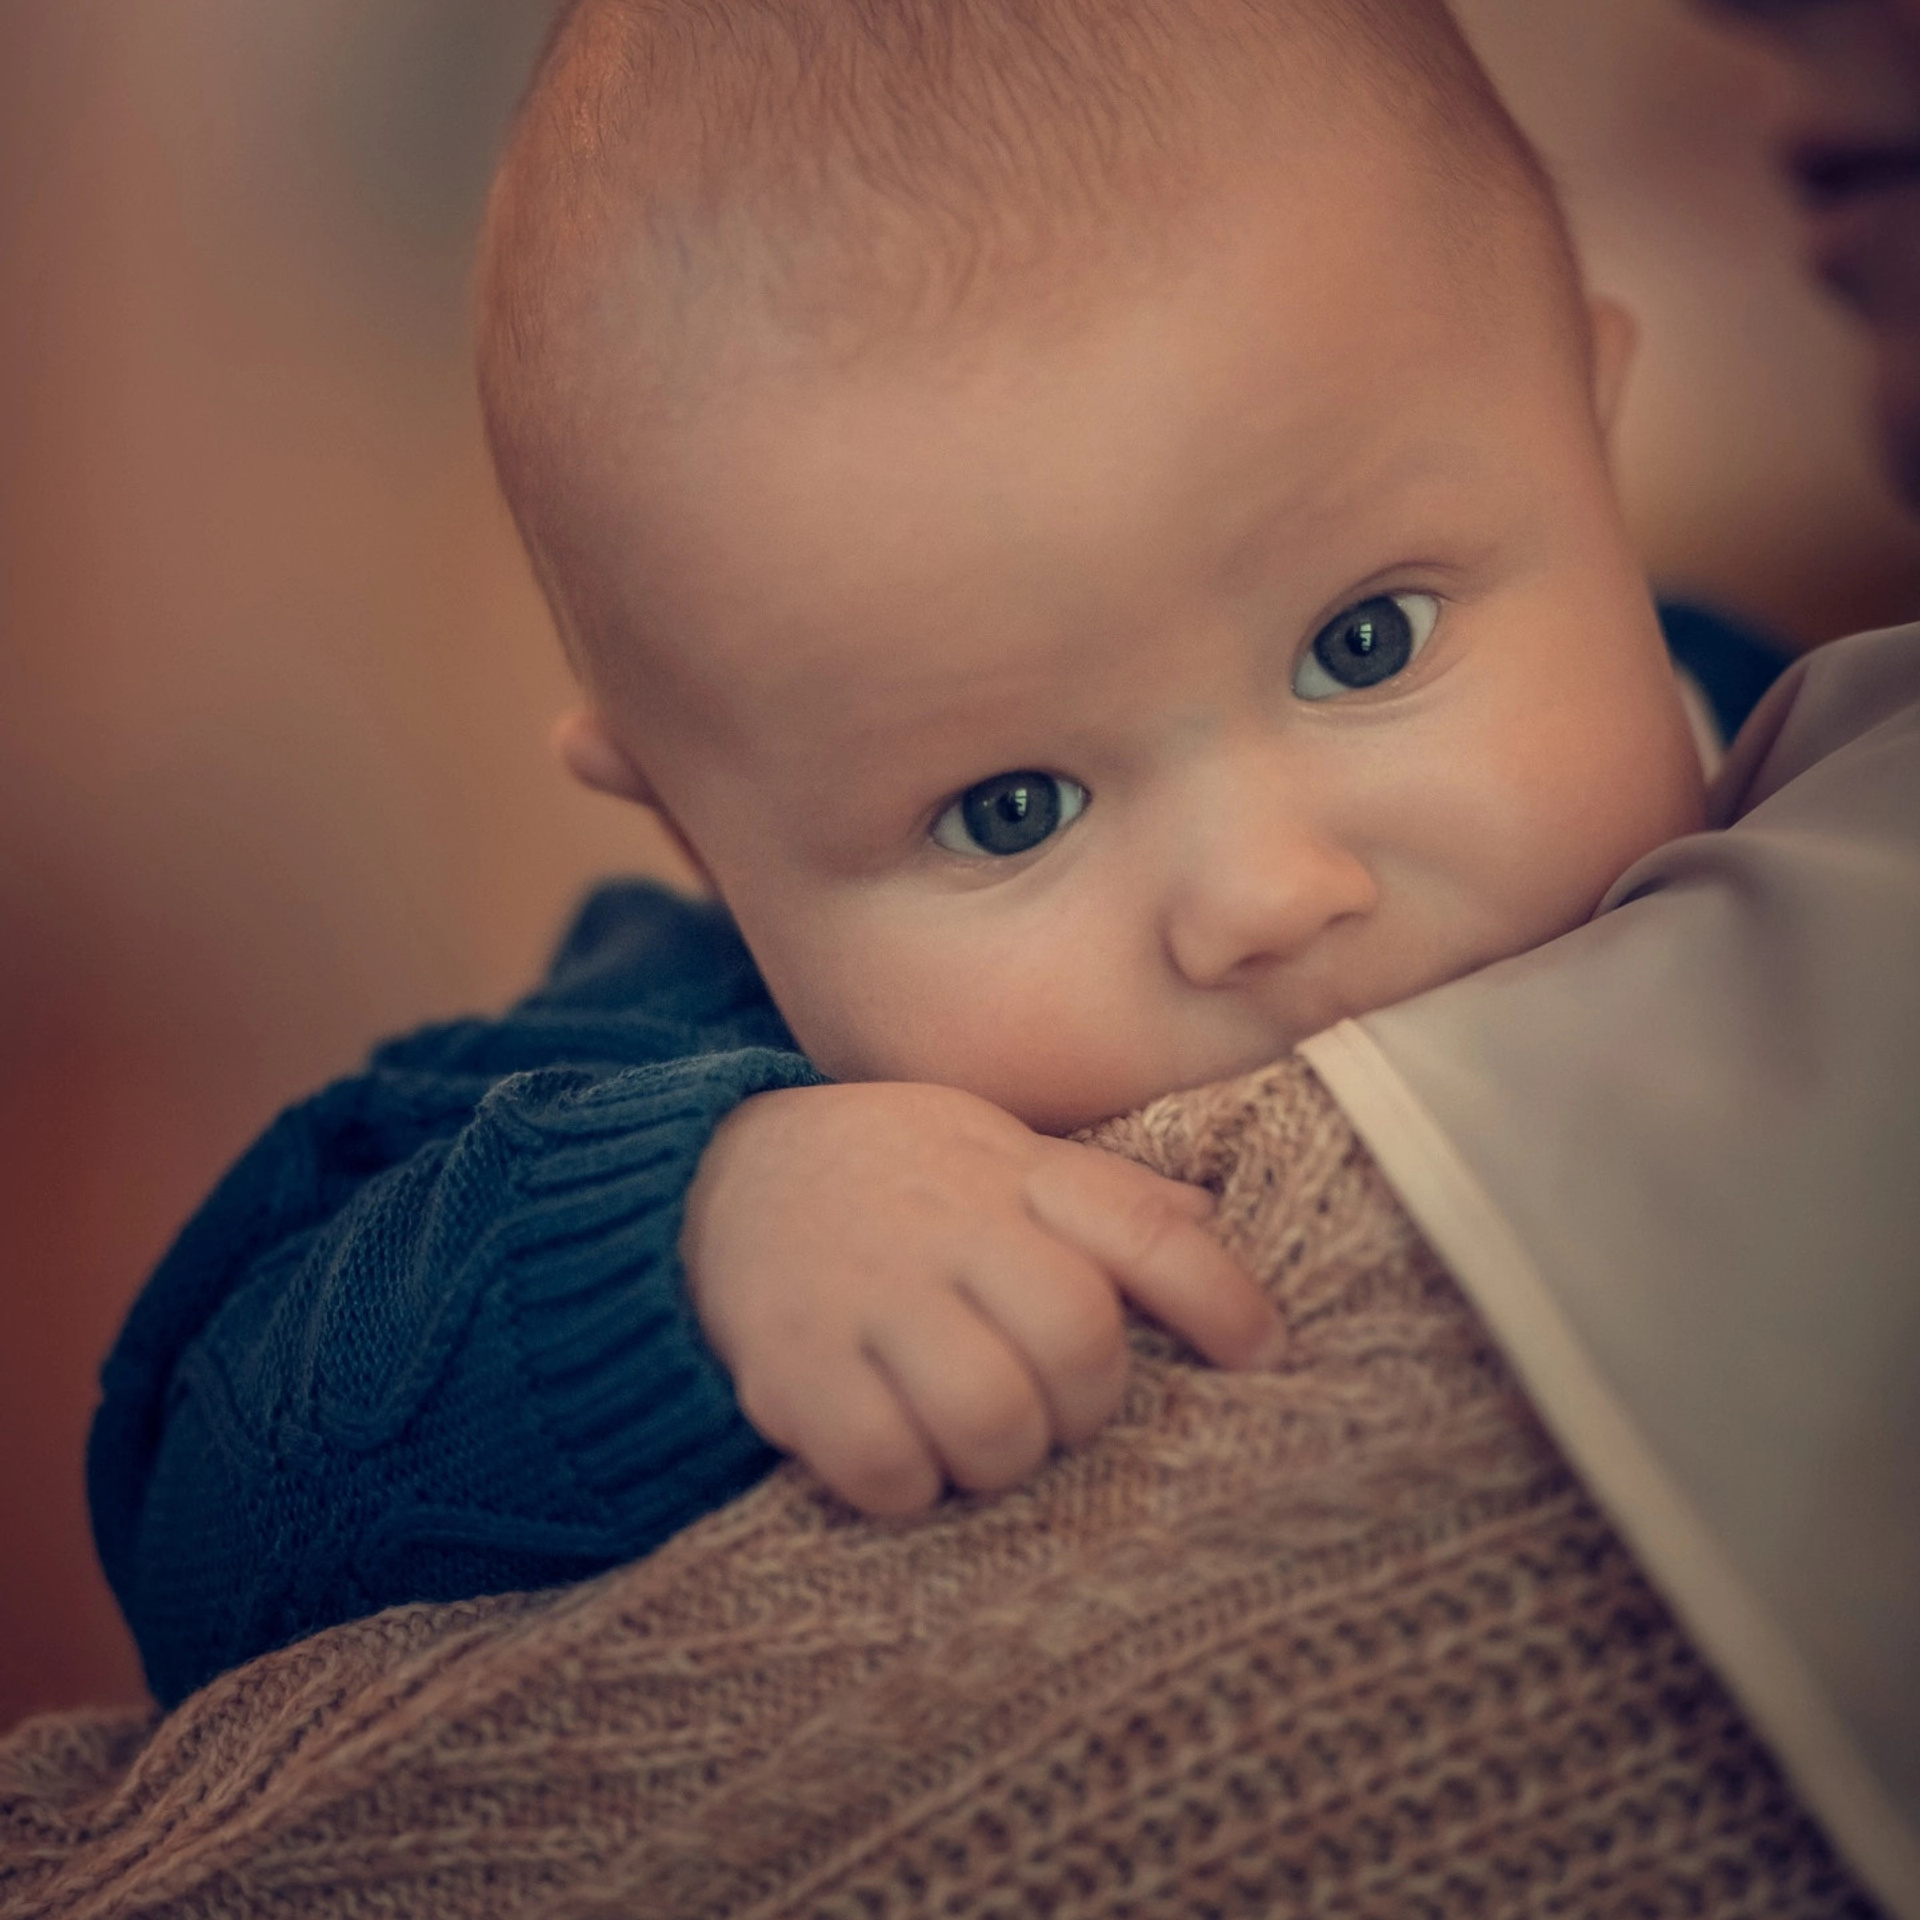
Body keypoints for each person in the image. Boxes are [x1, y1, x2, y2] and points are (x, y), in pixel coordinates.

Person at [66, 0, 1808, 1721]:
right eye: (1009, 811)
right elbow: (203, 1501)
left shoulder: (1823, 761)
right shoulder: (696, 1064)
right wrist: (701, 1227)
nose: (1261, 895)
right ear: (694, 829)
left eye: (1368, 643)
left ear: (1592, 421)